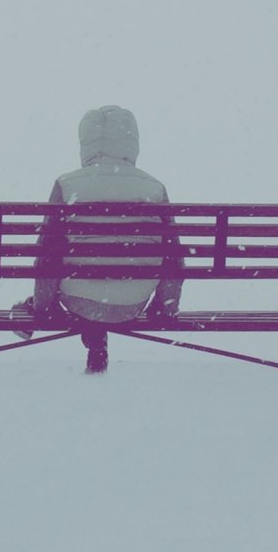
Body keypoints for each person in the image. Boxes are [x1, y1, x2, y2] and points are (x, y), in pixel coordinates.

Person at [15, 106, 181, 372]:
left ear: (85, 142)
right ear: (132, 142)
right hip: (132, 303)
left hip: (79, 301)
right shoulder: (154, 188)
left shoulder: (67, 185)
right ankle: (96, 341)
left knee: (82, 292)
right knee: (101, 292)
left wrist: (42, 308)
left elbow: (48, 254)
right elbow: (174, 257)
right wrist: (164, 308)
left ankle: (93, 338)